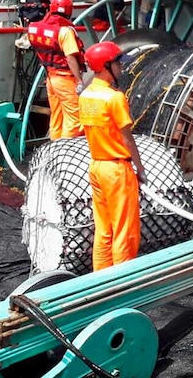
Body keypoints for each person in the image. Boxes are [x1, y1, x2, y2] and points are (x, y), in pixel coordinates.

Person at [78, 41, 146, 271]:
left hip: (96, 166)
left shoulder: (86, 96)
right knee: (124, 232)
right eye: (117, 64)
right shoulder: (114, 98)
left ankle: (100, 280)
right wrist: (140, 169)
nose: (121, 68)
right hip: (117, 170)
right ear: (106, 66)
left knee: (104, 230)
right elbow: (127, 138)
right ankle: (122, 285)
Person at [27, 0, 85, 140]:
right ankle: (65, 151)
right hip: (65, 79)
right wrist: (79, 81)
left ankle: (53, 147)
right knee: (74, 119)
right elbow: (71, 58)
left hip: (51, 79)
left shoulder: (35, 28)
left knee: (57, 116)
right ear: (69, 12)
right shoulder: (65, 32)